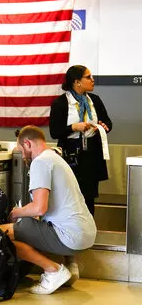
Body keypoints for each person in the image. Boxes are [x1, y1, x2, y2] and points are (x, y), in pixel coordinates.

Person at [0, 125, 97, 295]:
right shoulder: (55, 157)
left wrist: (15, 213)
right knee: (40, 223)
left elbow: (39, 208)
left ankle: (53, 271)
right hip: (86, 234)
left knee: (3, 235)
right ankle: (70, 267)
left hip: (71, 237)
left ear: (28, 143)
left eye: (21, 150)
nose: (22, 156)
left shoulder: (40, 162)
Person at [49, 65, 112, 215]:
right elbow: (54, 132)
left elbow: (108, 123)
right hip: (71, 154)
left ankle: (88, 231)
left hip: (91, 154)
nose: (92, 80)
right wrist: (73, 127)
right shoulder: (61, 103)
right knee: (70, 194)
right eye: (88, 77)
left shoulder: (94, 100)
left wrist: (103, 126)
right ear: (77, 82)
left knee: (89, 197)